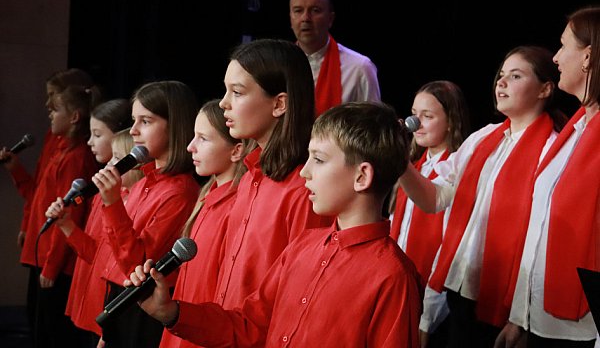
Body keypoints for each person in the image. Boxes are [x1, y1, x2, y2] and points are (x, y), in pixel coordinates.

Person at [125, 101, 423, 347]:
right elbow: (249, 326)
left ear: (362, 176)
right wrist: (171, 311)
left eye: (319, 160)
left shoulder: (393, 277)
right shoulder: (302, 246)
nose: (305, 172)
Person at [397, 46, 567, 348]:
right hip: (461, 288)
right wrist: (398, 161)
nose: (501, 82)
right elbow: (435, 199)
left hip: (503, 300)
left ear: (545, 89)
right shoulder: (483, 138)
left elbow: (542, 241)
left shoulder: (552, 149)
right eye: (501, 75)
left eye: (516, 76)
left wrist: (521, 318)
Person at [495, 7, 600, 348]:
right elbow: (539, 227)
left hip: (582, 329)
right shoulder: (574, 129)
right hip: (541, 318)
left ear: (588, 56)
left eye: (563, 45)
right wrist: (519, 316)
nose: (555, 57)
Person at [212, 39, 330, 315]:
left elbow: (299, 296)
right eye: (226, 91)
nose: (223, 103)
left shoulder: (305, 189)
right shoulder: (249, 178)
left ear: (279, 104)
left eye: (237, 92)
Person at [92, 80, 200, 348]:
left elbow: (137, 265)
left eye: (146, 121)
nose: (134, 131)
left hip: (143, 305)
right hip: (121, 297)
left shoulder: (180, 192)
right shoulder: (143, 182)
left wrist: (113, 203)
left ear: (174, 126)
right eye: (133, 120)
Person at [2, 83, 102, 348]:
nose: (49, 113)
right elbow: (38, 197)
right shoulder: (60, 150)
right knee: (40, 328)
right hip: (43, 253)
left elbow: (69, 214)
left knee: (52, 334)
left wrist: (52, 265)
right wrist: (16, 171)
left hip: (54, 260)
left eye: (55, 109)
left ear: (74, 117)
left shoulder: (76, 158)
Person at [44, 99, 134, 347]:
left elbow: (113, 260)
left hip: (104, 306)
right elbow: (95, 252)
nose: (90, 142)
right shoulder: (107, 191)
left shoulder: (123, 198)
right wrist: (66, 225)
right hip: (89, 296)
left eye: (97, 134)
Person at [159, 98, 248, 348]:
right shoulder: (207, 197)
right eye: (193, 137)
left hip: (205, 333)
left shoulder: (237, 207)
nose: (190, 147)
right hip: (184, 327)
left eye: (203, 139)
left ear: (236, 151)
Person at [388, 80, 470, 347]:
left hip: (433, 301)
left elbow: (449, 246)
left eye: (428, 116)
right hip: (402, 288)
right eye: (414, 114)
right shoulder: (416, 167)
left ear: (451, 121)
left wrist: (428, 314)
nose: (416, 123)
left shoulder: (456, 171)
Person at [289, 0, 380, 116]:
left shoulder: (359, 68)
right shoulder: (278, 65)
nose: (305, 18)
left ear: (330, 19)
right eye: (298, 11)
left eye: (315, 10)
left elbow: (374, 123)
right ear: (290, 18)